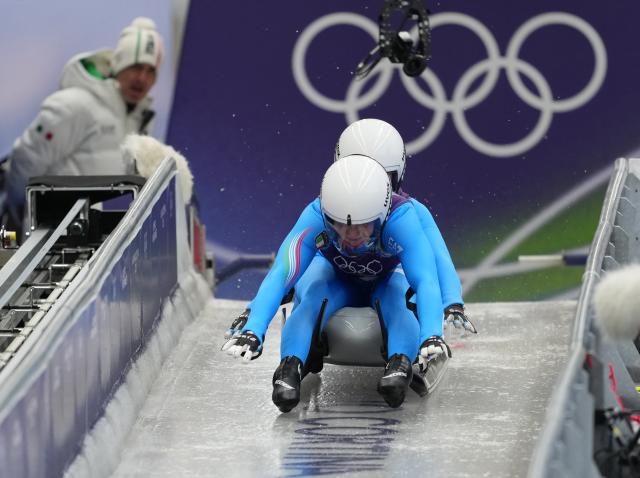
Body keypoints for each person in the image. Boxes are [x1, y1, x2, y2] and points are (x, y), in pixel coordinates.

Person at [223, 154, 448, 412]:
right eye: (340, 226)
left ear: (383, 215)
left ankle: (400, 364)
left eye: (364, 227)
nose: (352, 237)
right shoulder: (314, 216)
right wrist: (254, 329)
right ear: (327, 216)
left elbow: (426, 279)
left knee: (396, 294)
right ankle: (289, 367)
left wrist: (432, 334)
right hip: (335, 278)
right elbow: (281, 274)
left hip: (386, 280)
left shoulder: (402, 218)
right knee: (313, 294)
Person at [4, 17, 164, 231]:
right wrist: (16, 221)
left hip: (85, 241)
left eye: (150, 71)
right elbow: (26, 158)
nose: (142, 78)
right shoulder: (76, 105)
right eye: (136, 67)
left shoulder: (137, 120)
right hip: (41, 242)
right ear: (118, 65)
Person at [335, 118, 476, 335]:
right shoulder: (326, 212)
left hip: (389, 291)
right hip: (340, 287)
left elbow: (438, 257)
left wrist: (452, 302)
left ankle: (405, 338)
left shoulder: (412, 212)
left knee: (399, 290)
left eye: (382, 177)